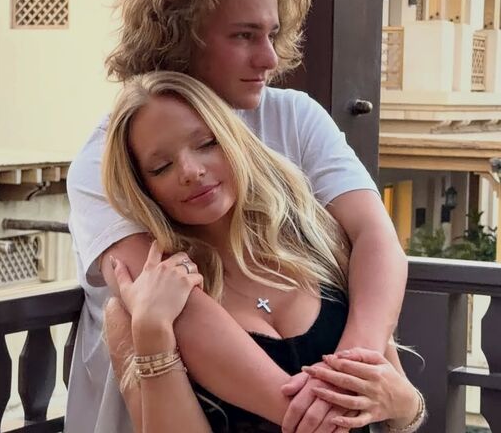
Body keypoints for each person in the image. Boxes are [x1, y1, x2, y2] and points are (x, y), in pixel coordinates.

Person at [65, 0, 408, 433]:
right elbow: (175, 303)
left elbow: (376, 236)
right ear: (181, 38)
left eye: (272, 34)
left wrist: (356, 369)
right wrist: (321, 415)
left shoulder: (295, 116)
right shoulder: (108, 156)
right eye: (244, 36)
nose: (268, 58)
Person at [101, 71, 425, 433]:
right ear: (143, 188)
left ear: (233, 140)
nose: (190, 171)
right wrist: (153, 334)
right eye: (161, 167)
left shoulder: (322, 245)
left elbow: (396, 406)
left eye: (206, 144)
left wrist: (406, 404)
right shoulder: (140, 308)